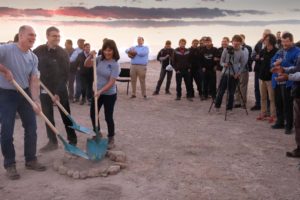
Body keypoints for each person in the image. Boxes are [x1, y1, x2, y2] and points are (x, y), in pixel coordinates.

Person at [0, 25, 46, 180]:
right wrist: (4, 70)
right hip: (6, 93)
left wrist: (35, 101)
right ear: (20, 36)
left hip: (24, 92)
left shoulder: (33, 57)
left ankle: (31, 159)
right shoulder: (6, 49)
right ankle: (10, 164)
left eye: (34, 35)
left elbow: (34, 80)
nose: (33, 38)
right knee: (7, 130)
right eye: (30, 35)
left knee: (31, 127)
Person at [34, 26, 77, 152]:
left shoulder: (63, 53)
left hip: (60, 88)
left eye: (58, 36)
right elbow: (31, 66)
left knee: (66, 115)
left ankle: (72, 139)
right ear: (47, 37)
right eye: (54, 36)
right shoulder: (38, 51)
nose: (57, 38)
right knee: (48, 116)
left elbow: (65, 74)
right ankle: (52, 141)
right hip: (44, 88)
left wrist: (58, 92)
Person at [84, 39, 120, 149]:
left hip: (109, 94)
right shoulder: (99, 59)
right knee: (93, 114)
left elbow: (111, 82)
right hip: (96, 92)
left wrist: (101, 91)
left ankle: (111, 138)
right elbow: (86, 65)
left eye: (110, 50)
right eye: (105, 50)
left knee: (108, 116)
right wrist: (90, 56)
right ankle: (97, 133)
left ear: (114, 51)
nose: (107, 52)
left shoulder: (115, 64)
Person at [271, 32, 300, 135]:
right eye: (283, 41)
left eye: (286, 41)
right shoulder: (280, 50)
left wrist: (282, 63)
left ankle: (289, 126)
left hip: (288, 81)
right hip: (277, 80)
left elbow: (296, 68)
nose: (284, 44)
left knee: (288, 105)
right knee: (278, 102)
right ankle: (280, 122)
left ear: (291, 41)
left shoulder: (297, 51)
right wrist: (275, 64)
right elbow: (272, 61)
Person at [273, 55, 300, 157]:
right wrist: (284, 69)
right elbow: (296, 68)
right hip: (298, 92)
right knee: (298, 123)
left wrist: (288, 77)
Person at [215, 35, 247, 111]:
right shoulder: (226, 50)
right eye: (234, 42)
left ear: (240, 43)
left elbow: (243, 65)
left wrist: (238, 73)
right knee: (221, 91)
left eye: (238, 43)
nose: (236, 44)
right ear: (232, 42)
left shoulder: (241, 52)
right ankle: (217, 106)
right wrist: (224, 64)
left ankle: (229, 108)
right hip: (225, 73)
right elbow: (221, 62)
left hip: (234, 75)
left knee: (231, 92)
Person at [256, 33, 278, 123]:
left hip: (270, 79)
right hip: (261, 78)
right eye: (264, 39)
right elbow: (259, 61)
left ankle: (273, 116)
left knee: (272, 98)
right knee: (263, 97)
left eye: (266, 39)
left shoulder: (276, 51)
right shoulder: (263, 51)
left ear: (271, 41)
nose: (264, 41)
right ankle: (263, 113)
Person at [250, 29, 271, 111]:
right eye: (264, 35)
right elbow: (252, 55)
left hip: (268, 70)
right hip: (258, 69)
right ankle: (258, 104)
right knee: (257, 87)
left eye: (267, 35)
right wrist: (257, 58)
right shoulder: (258, 44)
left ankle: (269, 106)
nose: (265, 36)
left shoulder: (274, 45)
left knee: (268, 89)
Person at [234, 34, 250, 108]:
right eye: (236, 40)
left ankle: (243, 102)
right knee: (236, 86)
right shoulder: (234, 49)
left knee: (243, 86)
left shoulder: (245, 49)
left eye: (239, 40)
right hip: (235, 70)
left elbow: (245, 61)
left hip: (243, 70)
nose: (237, 42)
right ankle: (237, 101)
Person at [69, 38, 85, 102]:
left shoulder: (86, 49)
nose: (82, 44)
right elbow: (71, 59)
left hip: (86, 70)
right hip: (78, 70)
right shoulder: (76, 51)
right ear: (78, 43)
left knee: (85, 84)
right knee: (78, 84)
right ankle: (77, 97)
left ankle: (84, 97)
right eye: (81, 42)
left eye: (83, 42)